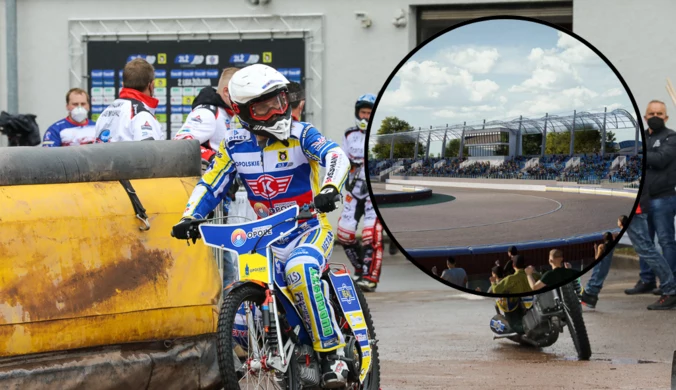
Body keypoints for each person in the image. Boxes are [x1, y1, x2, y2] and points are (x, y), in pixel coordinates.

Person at [170, 64, 353, 386]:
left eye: (280, 101)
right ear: (242, 111)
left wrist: (330, 189)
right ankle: (281, 355)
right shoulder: (233, 143)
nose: (277, 111)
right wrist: (190, 216)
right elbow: (211, 183)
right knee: (240, 319)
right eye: (264, 106)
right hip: (264, 237)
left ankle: (332, 354)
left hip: (308, 228)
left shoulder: (302, 134)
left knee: (300, 270)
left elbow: (336, 155)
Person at [173, 68, 241, 287]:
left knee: (225, 260)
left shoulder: (231, 114)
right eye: (239, 91)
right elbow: (183, 144)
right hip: (210, 200)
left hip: (224, 198)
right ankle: (225, 316)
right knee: (222, 262)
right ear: (225, 91)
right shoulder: (208, 112)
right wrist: (217, 160)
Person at [625, 100, 676, 296]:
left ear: (666, 117)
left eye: (660, 114)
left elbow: (662, 159)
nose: (656, 117)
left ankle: (670, 281)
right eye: (652, 114)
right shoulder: (643, 138)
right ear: (645, 117)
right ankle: (647, 280)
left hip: (664, 197)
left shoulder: (671, 137)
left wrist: (642, 156)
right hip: (644, 197)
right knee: (645, 242)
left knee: (666, 241)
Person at [336, 93, 384, 293]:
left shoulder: (383, 135)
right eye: (363, 112)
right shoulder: (349, 135)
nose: (365, 117)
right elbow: (342, 161)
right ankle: (359, 268)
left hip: (374, 192)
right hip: (355, 190)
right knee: (344, 233)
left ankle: (370, 277)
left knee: (370, 235)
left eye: (369, 113)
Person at [174, 67, 240, 168]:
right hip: (204, 180)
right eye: (241, 93)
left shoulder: (223, 113)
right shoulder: (208, 113)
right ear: (226, 92)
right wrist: (212, 157)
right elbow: (181, 143)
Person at [623, 187, 676, 309]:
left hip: (640, 206)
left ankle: (670, 289)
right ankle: (667, 286)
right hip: (639, 204)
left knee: (647, 248)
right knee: (645, 248)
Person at [95, 58, 164, 143]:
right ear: (151, 85)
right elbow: (149, 153)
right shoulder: (141, 114)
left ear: (123, 85)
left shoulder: (105, 112)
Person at [490, 255, 533, 334]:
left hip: (515, 308)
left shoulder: (510, 278)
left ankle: (515, 328)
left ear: (513, 265)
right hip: (531, 305)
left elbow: (495, 290)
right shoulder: (532, 275)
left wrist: (492, 283)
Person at [580, 227, 620, 309]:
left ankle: (590, 293)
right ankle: (592, 294)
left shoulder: (602, 246)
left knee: (600, 266)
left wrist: (597, 249)